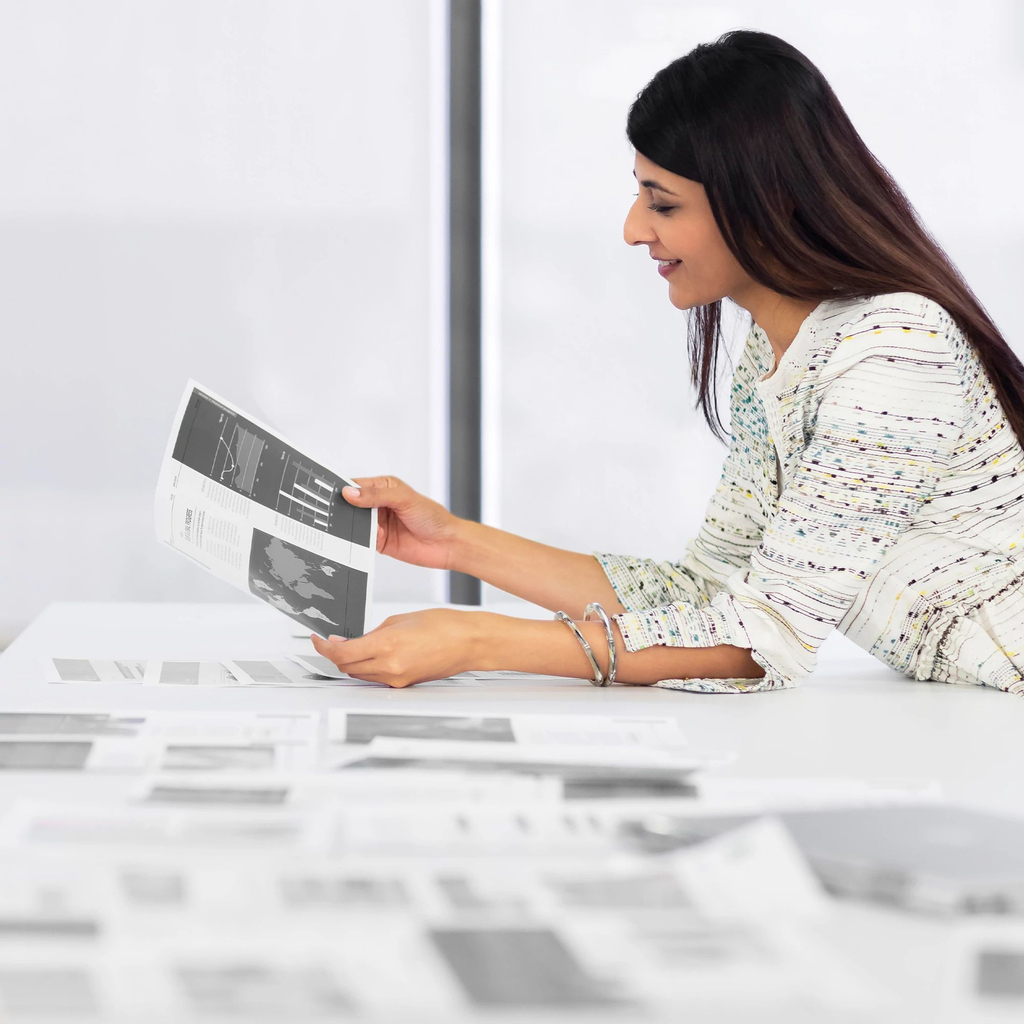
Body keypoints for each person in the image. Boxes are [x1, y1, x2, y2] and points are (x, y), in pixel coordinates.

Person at [312, 29, 1024, 694]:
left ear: (767, 201)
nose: (633, 229)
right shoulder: (779, 351)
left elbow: (763, 640)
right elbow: (708, 594)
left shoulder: (894, 350)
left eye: (663, 204)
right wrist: (455, 543)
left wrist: (477, 641)